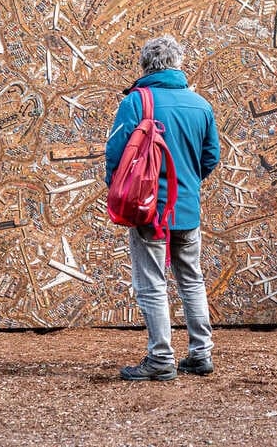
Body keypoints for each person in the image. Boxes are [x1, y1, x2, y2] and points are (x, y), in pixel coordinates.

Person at [105, 35, 221, 380]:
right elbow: (210, 157)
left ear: (145, 65)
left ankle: (160, 359)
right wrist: (186, 184)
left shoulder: (136, 103)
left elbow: (115, 155)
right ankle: (201, 354)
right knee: (192, 279)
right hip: (187, 211)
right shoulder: (201, 105)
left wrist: (121, 189)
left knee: (152, 283)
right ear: (178, 63)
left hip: (149, 211)